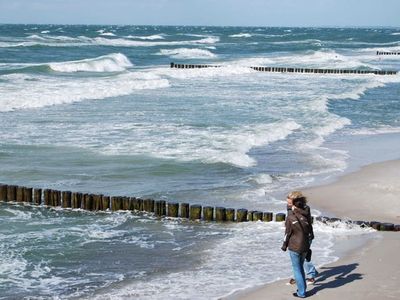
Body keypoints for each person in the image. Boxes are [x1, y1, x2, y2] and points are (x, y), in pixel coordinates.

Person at [281, 192, 313, 298]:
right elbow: (309, 222)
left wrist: (284, 245)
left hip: (295, 245)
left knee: (297, 268)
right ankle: (302, 289)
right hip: (306, 242)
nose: (287, 203)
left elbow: (288, 232)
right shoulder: (306, 209)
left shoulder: (292, 215)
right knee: (300, 267)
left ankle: (302, 292)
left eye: (289, 201)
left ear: (294, 201)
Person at [286, 191, 318, 285]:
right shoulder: (290, 208)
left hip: (306, 235)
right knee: (298, 258)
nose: (288, 205)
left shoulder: (305, 208)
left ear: (297, 202)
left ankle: (311, 275)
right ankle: (304, 275)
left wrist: (295, 209)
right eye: (287, 203)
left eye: (290, 203)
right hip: (295, 235)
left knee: (302, 257)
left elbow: (304, 215)